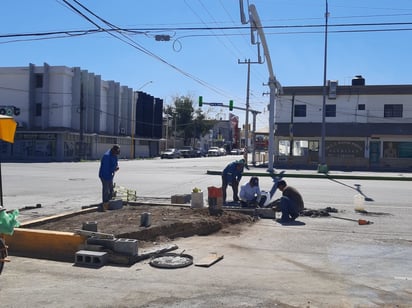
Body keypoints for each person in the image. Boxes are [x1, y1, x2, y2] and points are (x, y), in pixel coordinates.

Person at [98, 144, 120, 210]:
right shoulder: (107, 156)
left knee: (111, 188)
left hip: (110, 174)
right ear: (113, 150)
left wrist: (116, 167)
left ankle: (110, 201)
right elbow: (106, 168)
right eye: (116, 152)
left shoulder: (114, 155)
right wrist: (113, 169)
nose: (117, 154)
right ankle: (105, 202)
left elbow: (115, 163)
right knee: (106, 189)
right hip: (104, 175)